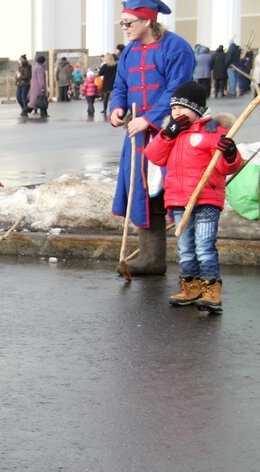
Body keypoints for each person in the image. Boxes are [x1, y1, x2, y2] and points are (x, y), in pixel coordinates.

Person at [108, 0, 194, 277]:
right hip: (138, 135)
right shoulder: (130, 51)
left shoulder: (176, 47)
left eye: (128, 23)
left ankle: (195, 264)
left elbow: (178, 89)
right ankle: (151, 258)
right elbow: (121, 85)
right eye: (122, 23)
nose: (124, 29)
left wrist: (149, 119)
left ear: (147, 21)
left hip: (169, 132)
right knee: (142, 193)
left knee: (176, 194)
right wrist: (116, 108)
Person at [144, 81, 241, 313]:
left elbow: (229, 166)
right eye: (173, 108)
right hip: (178, 200)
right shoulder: (172, 133)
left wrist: (229, 153)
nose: (176, 112)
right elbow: (154, 156)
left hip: (206, 199)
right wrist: (167, 134)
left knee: (204, 246)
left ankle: (211, 289)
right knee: (185, 247)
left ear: (197, 110)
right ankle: (190, 285)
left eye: (182, 107)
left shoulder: (212, 131)